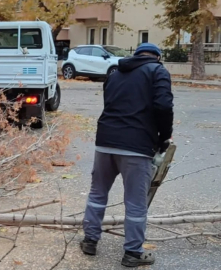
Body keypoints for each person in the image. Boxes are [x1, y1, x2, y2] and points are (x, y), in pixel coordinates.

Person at [80, 43, 174, 267]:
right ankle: (133, 252)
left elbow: (109, 103)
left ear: (137, 54)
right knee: (135, 201)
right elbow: (163, 106)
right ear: (157, 57)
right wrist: (164, 137)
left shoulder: (114, 73)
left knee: (97, 193)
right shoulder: (158, 71)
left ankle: (90, 240)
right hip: (137, 145)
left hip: (105, 142)